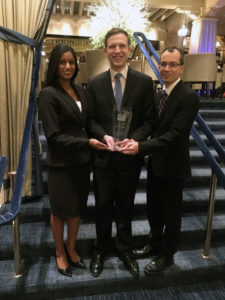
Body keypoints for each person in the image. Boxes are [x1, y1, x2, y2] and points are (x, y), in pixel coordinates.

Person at [120, 46, 199, 273]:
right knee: (154, 210)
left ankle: (167, 255)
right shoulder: (158, 95)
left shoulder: (188, 97)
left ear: (181, 68)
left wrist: (141, 147)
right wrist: (129, 139)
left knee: (171, 214)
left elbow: (175, 136)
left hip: (174, 167)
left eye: (172, 64)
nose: (166, 68)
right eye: (163, 63)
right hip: (155, 164)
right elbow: (151, 126)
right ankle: (154, 244)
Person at [86, 28, 155, 277]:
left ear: (129, 50)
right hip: (104, 156)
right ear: (105, 50)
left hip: (129, 157)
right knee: (103, 205)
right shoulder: (94, 84)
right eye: (112, 46)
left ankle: (124, 247)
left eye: (122, 46)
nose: (117, 51)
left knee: (125, 205)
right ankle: (101, 247)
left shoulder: (145, 83)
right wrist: (101, 135)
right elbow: (90, 120)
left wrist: (133, 140)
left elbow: (149, 121)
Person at [38, 44, 106, 277]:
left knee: (76, 208)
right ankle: (59, 252)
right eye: (62, 62)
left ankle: (71, 247)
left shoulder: (79, 89)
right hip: (61, 164)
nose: (68, 66)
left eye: (71, 62)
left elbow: (85, 124)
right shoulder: (48, 94)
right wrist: (87, 142)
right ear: (55, 65)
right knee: (59, 211)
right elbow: (54, 136)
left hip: (81, 163)